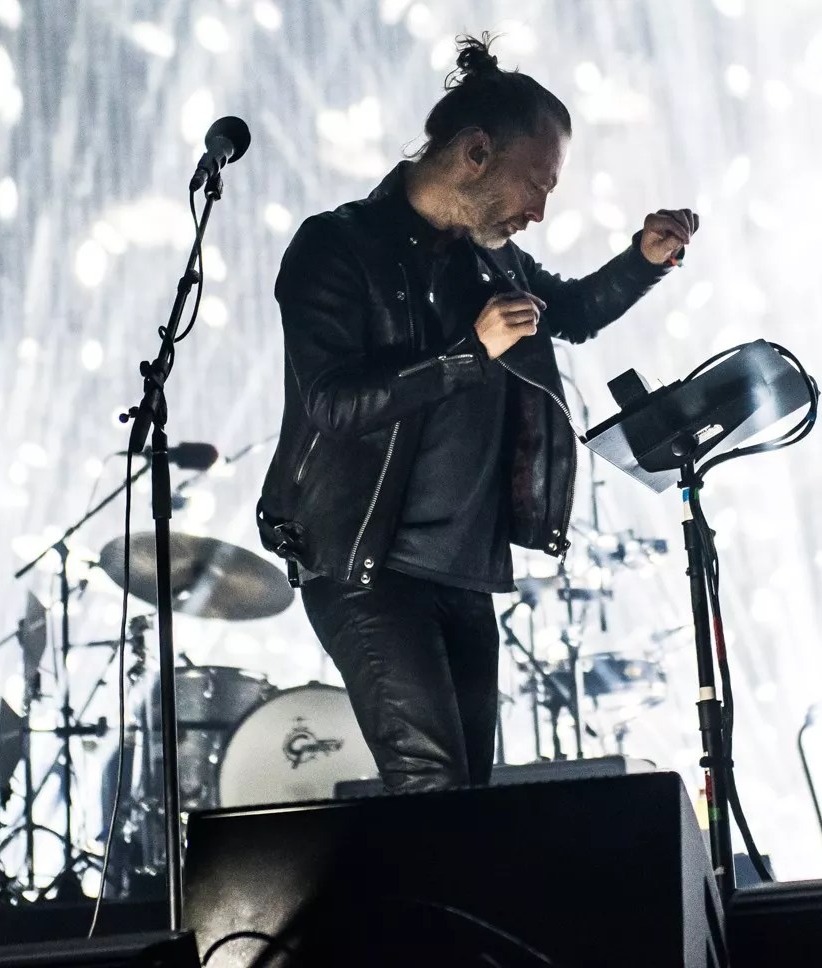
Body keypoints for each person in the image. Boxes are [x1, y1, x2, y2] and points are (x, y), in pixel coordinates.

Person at [257, 34, 698, 793]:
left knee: (468, 796)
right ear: (475, 153)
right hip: (365, 565)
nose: (540, 210)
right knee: (431, 783)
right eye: (537, 183)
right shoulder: (337, 245)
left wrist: (643, 259)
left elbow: (573, 311)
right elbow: (332, 402)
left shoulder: (491, 260)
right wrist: (468, 354)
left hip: (462, 569)